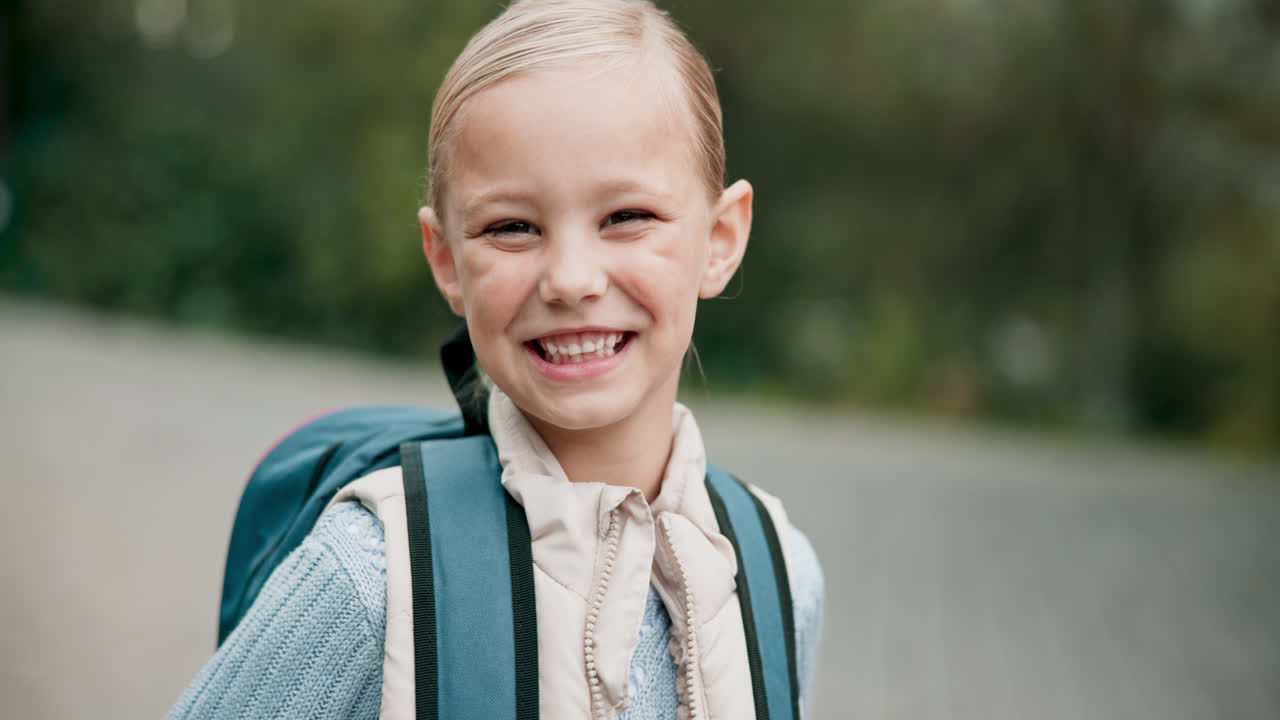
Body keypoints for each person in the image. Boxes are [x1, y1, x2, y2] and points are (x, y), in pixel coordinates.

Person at [167, 0, 824, 717]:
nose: (571, 279)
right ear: (447, 261)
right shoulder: (375, 575)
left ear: (722, 237)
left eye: (626, 217)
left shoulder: (777, 570)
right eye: (512, 227)